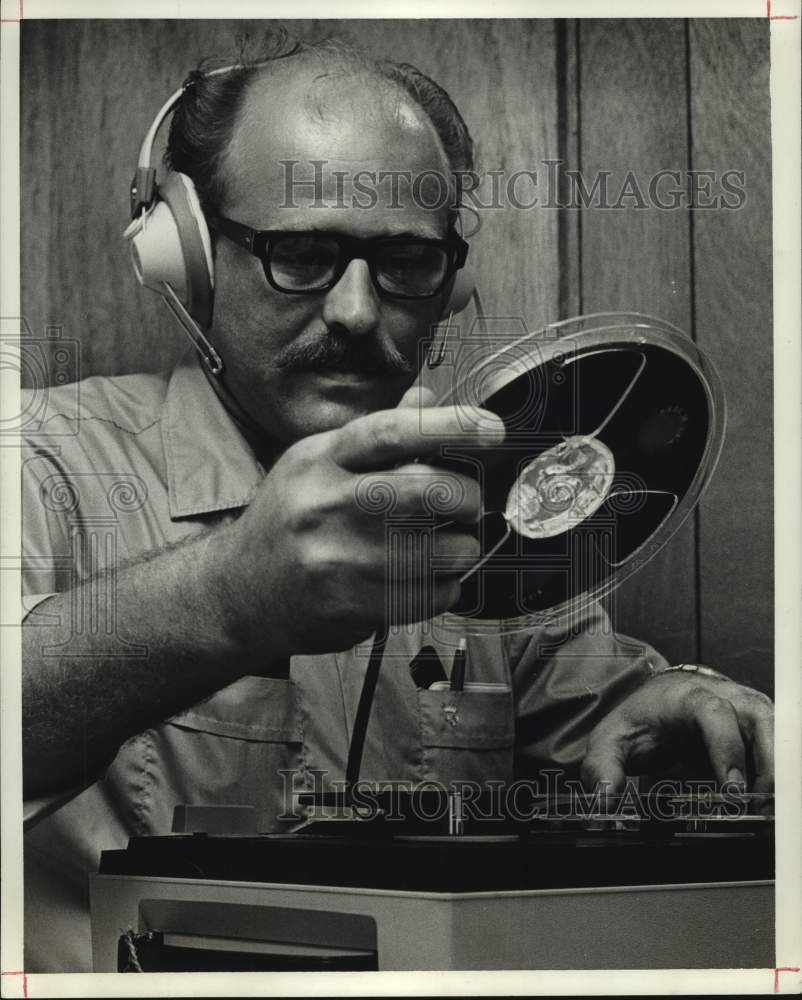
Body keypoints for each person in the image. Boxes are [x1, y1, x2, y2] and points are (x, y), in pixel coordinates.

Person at [20, 33, 774, 973]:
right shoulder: (42, 466)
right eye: (301, 252)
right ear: (188, 257)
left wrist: (679, 707)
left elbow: (610, 711)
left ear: (450, 284)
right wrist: (228, 597)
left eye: (407, 262)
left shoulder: (475, 501)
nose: (355, 311)